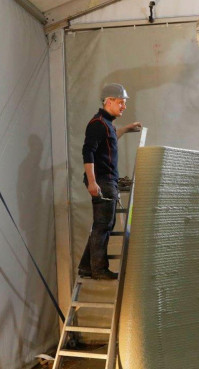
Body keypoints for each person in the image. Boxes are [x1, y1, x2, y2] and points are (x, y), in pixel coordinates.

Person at [78, 83, 142, 280]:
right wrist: (92, 182)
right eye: (121, 102)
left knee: (103, 224)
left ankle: (86, 267)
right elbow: (87, 152)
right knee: (103, 225)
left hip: (107, 180)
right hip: (102, 181)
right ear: (109, 101)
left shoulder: (106, 124)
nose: (124, 106)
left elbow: (110, 137)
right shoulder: (97, 124)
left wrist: (126, 129)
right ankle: (98, 269)